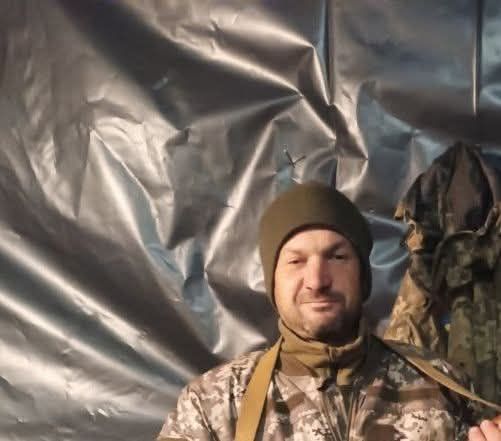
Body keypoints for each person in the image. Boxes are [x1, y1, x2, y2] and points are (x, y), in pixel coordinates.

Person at [157, 181, 501, 441]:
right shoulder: (214, 404)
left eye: (337, 257)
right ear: (272, 281)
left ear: (362, 275)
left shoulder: (443, 388)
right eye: (296, 261)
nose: (317, 281)